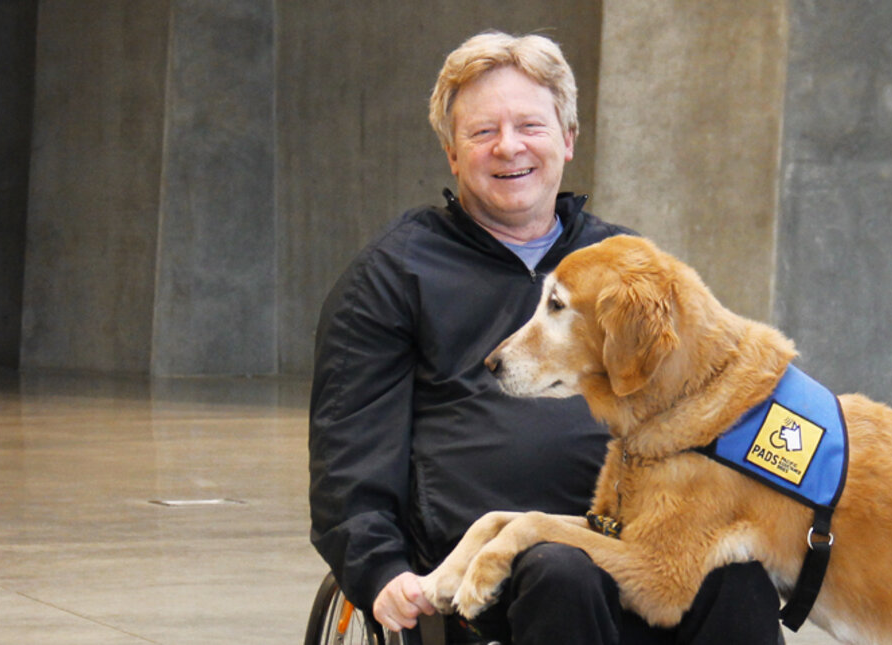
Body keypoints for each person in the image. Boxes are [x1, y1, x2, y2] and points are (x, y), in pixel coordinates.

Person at [309, 30, 782, 645]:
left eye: (530, 125)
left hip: (629, 537)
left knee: (737, 574)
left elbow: (701, 398)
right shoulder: (392, 276)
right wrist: (380, 571)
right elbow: (350, 457)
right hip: (485, 570)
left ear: (568, 138)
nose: (508, 148)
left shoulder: (623, 265)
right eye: (482, 132)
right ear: (452, 153)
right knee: (561, 572)